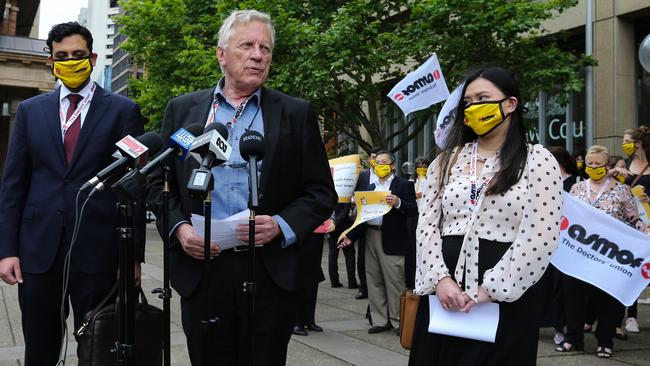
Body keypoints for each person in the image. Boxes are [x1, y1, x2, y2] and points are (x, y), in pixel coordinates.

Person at [146, 10, 337, 365]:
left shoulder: (295, 113)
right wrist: (179, 228)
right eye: (246, 45)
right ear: (221, 54)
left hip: (269, 270)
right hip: (203, 268)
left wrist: (281, 224)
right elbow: (159, 182)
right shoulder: (184, 109)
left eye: (265, 48)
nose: (258, 55)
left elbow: (321, 192)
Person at [0, 22, 146, 365]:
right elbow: (13, 185)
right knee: (40, 346)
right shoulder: (30, 112)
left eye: (78, 55)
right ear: (51, 61)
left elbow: (136, 188)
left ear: (92, 58)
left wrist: (133, 255)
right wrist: (7, 249)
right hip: (38, 251)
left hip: (98, 252)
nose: (70, 62)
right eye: (61, 56)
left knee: (97, 347)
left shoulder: (123, 111)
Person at [408, 67, 563, 366]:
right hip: (444, 291)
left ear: (510, 104)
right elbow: (426, 226)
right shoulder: (446, 160)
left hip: (508, 293)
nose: (474, 107)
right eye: (468, 102)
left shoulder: (538, 160)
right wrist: (441, 280)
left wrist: (490, 289)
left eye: (483, 98)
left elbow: (540, 236)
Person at [558, 145, 644, 358]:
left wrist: (645, 229)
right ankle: (573, 338)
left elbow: (634, 218)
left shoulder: (621, 190)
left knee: (608, 299)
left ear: (608, 166)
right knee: (574, 297)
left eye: (598, 164)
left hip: (608, 255)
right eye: (590, 164)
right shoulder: (577, 189)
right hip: (579, 253)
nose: (594, 167)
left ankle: (605, 341)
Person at [340, 150, 418, 334]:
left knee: (395, 281)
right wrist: (350, 236)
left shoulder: (403, 185)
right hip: (371, 235)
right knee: (373, 280)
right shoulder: (369, 185)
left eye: (385, 162)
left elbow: (413, 210)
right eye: (377, 162)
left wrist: (399, 203)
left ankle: (399, 321)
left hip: (393, 238)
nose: (380, 165)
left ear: (392, 166)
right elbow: (362, 216)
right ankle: (380, 319)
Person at [327, 202, 358, 288]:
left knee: (332, 254)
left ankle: (334, 281)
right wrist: (337, 222)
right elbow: (345, 211)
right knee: (350, 255)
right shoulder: (345, 191)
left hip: (330, 227)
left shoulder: (331, 193)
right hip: (345, 227)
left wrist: (333, 223)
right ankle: (352, 283)